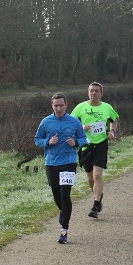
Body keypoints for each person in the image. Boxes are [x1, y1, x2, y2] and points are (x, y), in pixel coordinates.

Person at [35, 93, 87, 244]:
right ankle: (63, 212)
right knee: (56, 195)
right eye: (56, 106)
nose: (58, 109)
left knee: (65, 195)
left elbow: (83, 138)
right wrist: (48, 142)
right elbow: (37, 139)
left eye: (61, 105)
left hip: (69, 163)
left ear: (66, 105)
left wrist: (76, 142)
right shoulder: (46, 122)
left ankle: (64, 229)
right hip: (51, 163)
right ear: (52, 106)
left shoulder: (74, 121)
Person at [71, 82, 120, 218]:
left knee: (97, 175)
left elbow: (114, 120)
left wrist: (112, 132)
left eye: (96, 91)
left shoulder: (107, 107)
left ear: (101, 94)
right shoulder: (80, 107)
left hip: (101, 144)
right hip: (86, 145)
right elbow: (70, 123)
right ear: (88, 93)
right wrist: (81, 127)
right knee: (90, 177)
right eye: (91, 90)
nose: (94, 93)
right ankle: (98, 193)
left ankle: (96, 204)